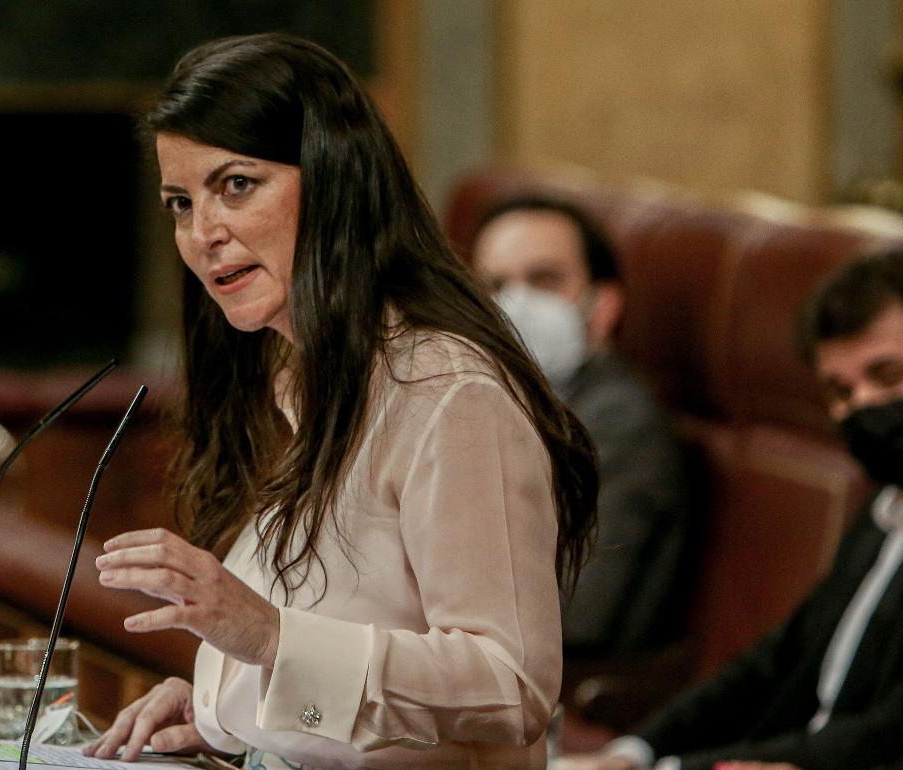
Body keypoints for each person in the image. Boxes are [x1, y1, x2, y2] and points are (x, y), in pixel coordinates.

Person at [81, 33, 598, 769]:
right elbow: (345, 648)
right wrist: (230, 706)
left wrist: (269, 642)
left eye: (236, 185)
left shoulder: (449, 395)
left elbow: (509, 685)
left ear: (333, 181)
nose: (202, 234)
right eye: (180, 202)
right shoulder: (287, 377)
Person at [560, 249, 903, 770]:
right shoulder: (885, 505)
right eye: (840, 390)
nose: (862, 406)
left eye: (887, 374)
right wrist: (633, 754)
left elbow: (885, 735)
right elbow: (774, 662)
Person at [472, 197, 690, 654]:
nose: (516, 304)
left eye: (544, 280)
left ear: (603, 306)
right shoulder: (484, 403)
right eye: (495, 285)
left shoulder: (619, 425)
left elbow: (576, 616)